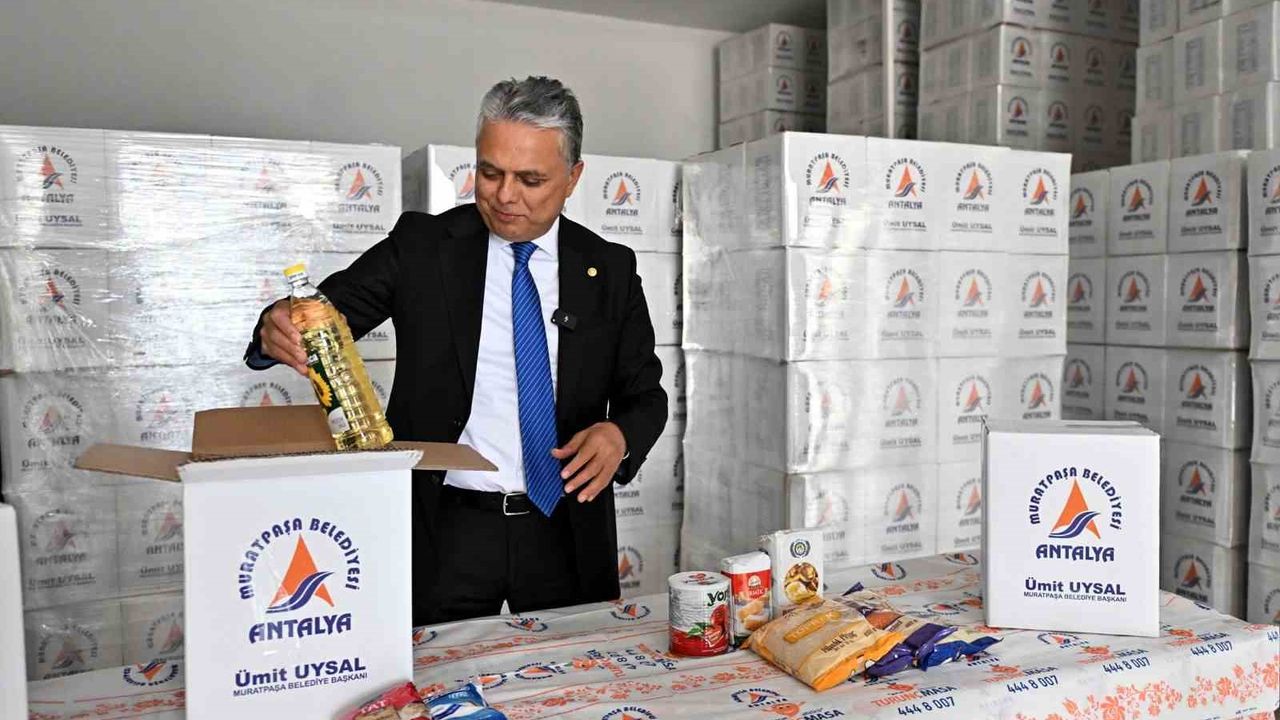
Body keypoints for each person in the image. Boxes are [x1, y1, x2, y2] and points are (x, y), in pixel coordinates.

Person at [245, 76, 668, 625]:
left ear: (573, 178)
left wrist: (620, 436)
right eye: (490, 173)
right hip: (444, 529)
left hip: (566, 528)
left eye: (531, 179)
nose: (505, 195)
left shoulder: (608, 269)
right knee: (429, 673)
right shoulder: (422, 248)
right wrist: (274, 325)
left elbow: (646, 397)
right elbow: (320, 311)